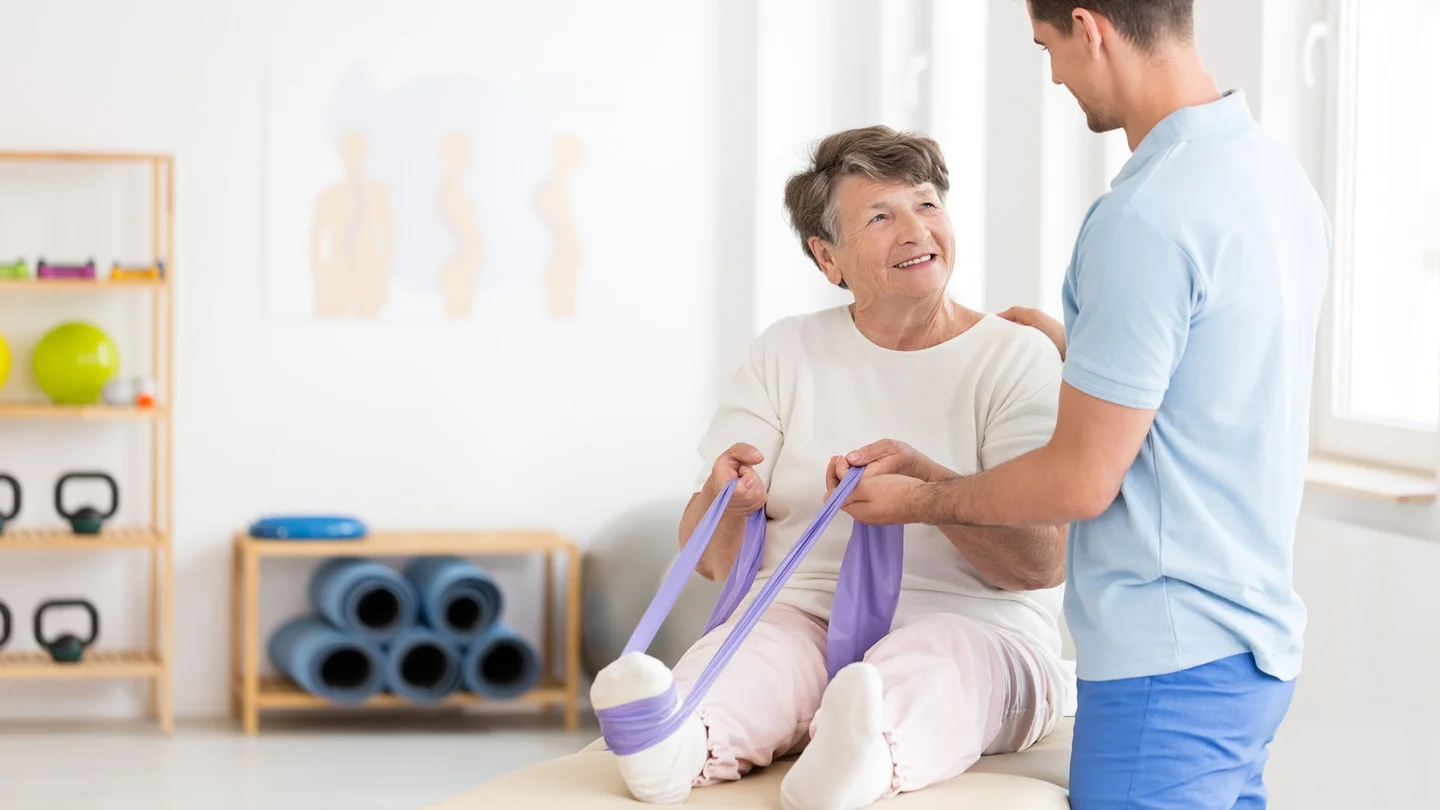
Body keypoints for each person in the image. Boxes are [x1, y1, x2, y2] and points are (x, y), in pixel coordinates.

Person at [833, 3, 1331, 808]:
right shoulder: (1273, 177)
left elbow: (1078, 483)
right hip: (1254, 649)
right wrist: (1090, 356)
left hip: (1168, 666)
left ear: (1090, 28)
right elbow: (1221, 376)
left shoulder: (1144, 216)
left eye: (1048, 48)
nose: (1056, 75)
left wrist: (923, 499)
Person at [590, 126, 1076, 810]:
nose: (916, 230)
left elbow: (1041, 564)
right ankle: (675, 746)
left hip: (982, 625)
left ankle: (861, 753)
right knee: (758, 649)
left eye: (928, 205)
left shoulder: (1016, 357)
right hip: (805, 611)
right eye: (881, 216)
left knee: (935, 664)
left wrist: (928, 489)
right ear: (828, 257)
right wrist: (729, 499)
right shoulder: (787, 352)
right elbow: (712, 561)